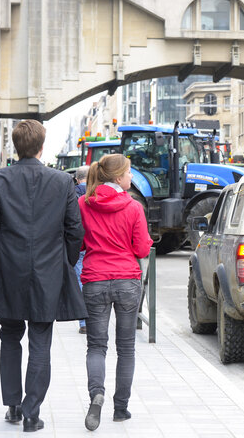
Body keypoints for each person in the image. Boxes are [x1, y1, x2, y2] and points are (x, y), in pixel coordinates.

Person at [0, 119, 86, 433]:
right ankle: (31, 412)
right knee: (41, 340)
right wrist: (63, 265)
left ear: (16, 146)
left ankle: (12, 405)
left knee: (10, 336)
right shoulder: (62, 182)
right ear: (41, 147)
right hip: (48, 271)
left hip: (8, 269)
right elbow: (74, 231)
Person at [79, 154, 152, 431]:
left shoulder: (83, 204)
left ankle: (96, 394)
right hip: (126, 281)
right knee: (126, 348)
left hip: (95, 279)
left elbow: (78, 243)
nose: (131, 177)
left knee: (96, 346)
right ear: (118, 177)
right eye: (129, 172)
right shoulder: (133, 207)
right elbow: (143, 249)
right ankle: (120, 408)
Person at [74, 165, 90, 334]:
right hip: (95, 242)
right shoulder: (97, 193)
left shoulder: (71, 194)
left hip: (78, 243)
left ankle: (83, 322)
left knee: (80, 279)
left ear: (77, 179)